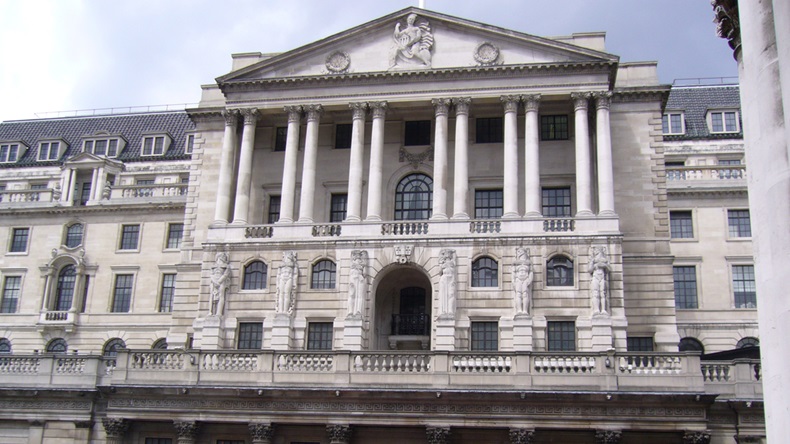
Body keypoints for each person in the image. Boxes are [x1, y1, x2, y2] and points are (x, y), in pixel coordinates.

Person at [588, 247, 611, 314]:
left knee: (603, 293)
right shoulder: (593, 259)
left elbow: (609, 269)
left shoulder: (605, 260)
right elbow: (589, 270)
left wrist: (604, 265)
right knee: (595, 293)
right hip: (595, 276)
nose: (597, 252)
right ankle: (596, 309)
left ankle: (603, 309)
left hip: (602, 276)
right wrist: (594, 264)